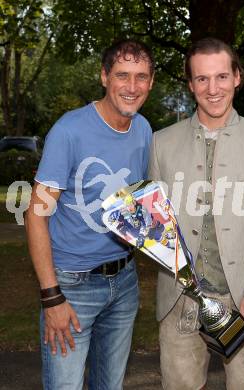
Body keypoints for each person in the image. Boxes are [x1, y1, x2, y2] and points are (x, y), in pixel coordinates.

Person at [148, 37, 244, 390]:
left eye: (221, 77)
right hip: (179, 302)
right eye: (201, 79)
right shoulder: (161, 143)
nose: (212, 89)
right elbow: (156, 223)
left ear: (237, 77)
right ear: (190, 84)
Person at [25, 39, 154, 390]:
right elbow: (36, 216)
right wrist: (52, 297)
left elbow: (134, 202)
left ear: (151, 82)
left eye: (141, 77)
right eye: (122, 75)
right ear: (104, 77)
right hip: (71, 286)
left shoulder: (143, 129)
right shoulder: (70, 130)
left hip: (124, 282)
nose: (132, 86)